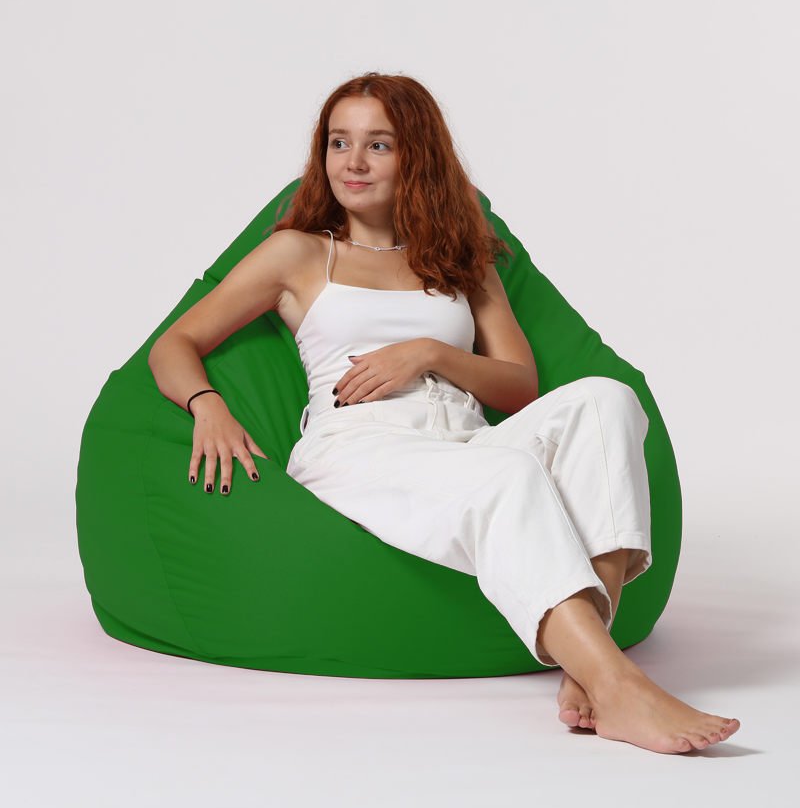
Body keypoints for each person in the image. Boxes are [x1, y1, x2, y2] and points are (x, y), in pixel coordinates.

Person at [148, 71, 740, 754]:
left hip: (462, 440)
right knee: (510, 479)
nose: (353, 162)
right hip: (359, 445)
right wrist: (207, 405)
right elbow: (175, 343)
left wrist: (429, 353)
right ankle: (618, 685)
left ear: (416, 155)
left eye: (378, 144)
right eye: (339, 142)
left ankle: (589, 660)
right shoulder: (300, 252)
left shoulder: (460, 256)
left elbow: (519, 386)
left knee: (608, 400)